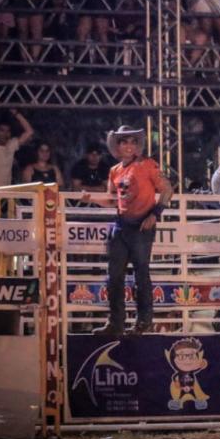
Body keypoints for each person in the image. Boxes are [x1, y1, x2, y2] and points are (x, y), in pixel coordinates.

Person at [84, 125, 172, 335]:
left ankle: (144, 322)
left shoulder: (147, 164)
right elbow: (112, 200)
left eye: (133, 141)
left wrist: (155, 214)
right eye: (124, 141)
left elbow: (167, 189)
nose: (129, 146)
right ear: (118, 145)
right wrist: (91, 199)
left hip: (142, 225)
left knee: (141, 275)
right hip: (121, 225)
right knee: (114, 276)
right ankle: (116, 323)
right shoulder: (115, 170)